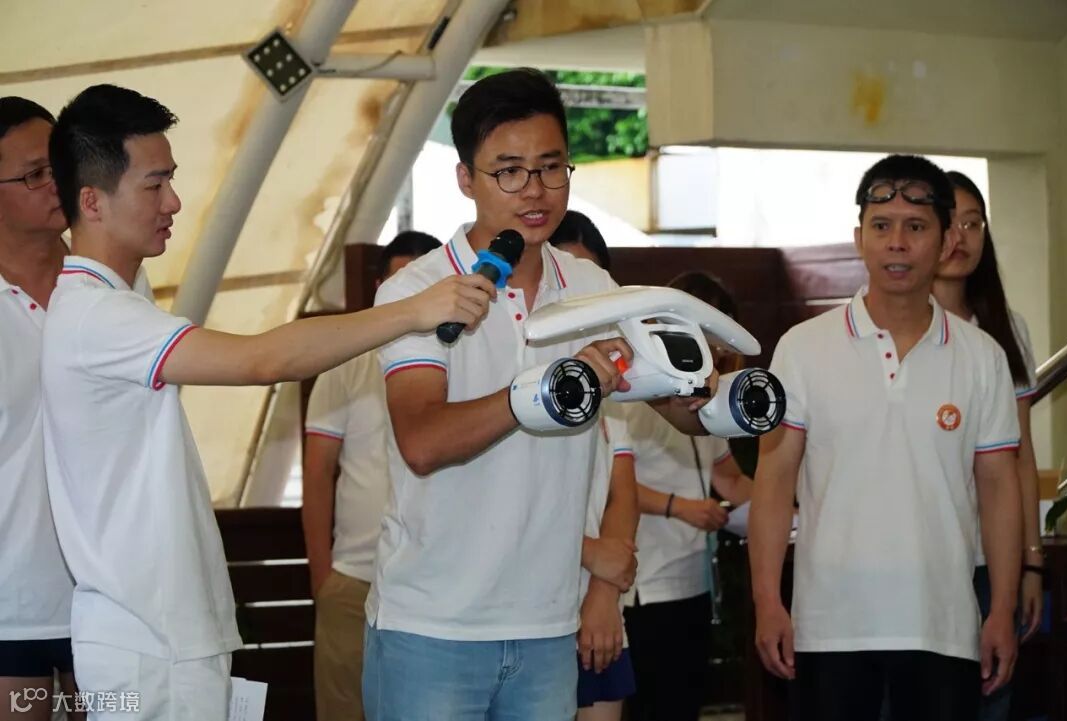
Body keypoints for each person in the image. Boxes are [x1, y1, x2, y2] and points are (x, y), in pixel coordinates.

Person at [40, 84, 494, 720]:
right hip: (147, 644)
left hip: (161, 635)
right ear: (91, 200)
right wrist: (411, 310)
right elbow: (264, 361)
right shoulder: (97, 316)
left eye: (172, 179)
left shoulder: (120, 294)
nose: (174, 201)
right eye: (154, 184)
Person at [362, 68, 712, 721]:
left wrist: (702, 392)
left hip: (550, 622)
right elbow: (423, 441)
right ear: (465, 178)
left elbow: (680, 413)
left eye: (552, 168)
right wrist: (547, 390)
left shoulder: (592, 287)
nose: (535, 190)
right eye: (509, 171)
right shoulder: (416, 290)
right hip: (433, 625)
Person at [749, 154, 1022, 721]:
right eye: (881, 225)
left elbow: (999, 488)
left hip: (943, 626)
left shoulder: (982, 358)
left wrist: (1001, 608)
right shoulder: (803, 348)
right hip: (829, 628)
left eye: (916, 226)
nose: (897, 242)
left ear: (945, 241)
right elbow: (773, 481)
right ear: (859, 238)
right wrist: (767, 600)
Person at [302, 229, 442, 721]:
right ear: (380, 287)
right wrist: (324, 578)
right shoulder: (345, 362)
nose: (413, 296)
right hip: (353, 579)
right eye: (401, 283)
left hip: (434, 581)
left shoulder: (468, 356)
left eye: (425, 283)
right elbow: (317, 475)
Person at [933, 170, 1044, 720]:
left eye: (974, 224)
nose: (961, 238)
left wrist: (1030, 562)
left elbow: (1020, 456)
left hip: (988, 564)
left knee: (988, 701)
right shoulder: (902, 328)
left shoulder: (1005, 328)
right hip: (920, 561)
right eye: (950, 223)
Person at [621, 271, 754, 721]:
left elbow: (731, 480)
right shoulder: (635, 393)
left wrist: (793, 513)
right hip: (646, 584)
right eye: (711, 340)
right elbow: (611, 483)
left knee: (684, 704)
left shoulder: (707, 399)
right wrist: (680, 507)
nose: (718, 354)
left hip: (693, 579)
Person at [0, 97, 85, 721]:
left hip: (107, 595)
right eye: (35, 174)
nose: (57, 182)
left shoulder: (108, 281)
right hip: (10, 607)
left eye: (60, 163)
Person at [549, 209, 640, 721]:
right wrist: (589, 553)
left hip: (597, 609)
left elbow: (623, 496)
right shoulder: (513, 373)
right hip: (524, 609)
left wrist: (604, 593)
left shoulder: (614, 384)